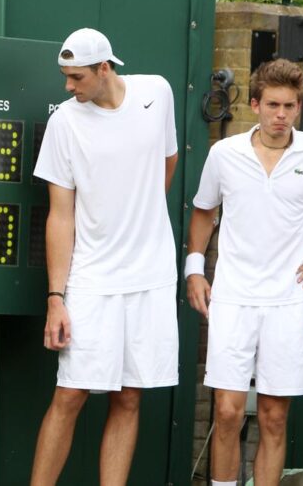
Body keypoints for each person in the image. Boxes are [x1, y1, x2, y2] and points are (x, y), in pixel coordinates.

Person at [30, 27, 179, 485]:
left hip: (151, 277)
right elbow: (60, 215)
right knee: (71, 394)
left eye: (76, 77)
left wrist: (141, 220)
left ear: (104, 68)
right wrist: (57, 296)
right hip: (91, 281)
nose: (68, 87)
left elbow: (167, 162)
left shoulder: (157, 93)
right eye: (65, 77)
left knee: (130, 397)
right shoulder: (64, 123)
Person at [186, 58, 303, 486]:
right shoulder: (224, 154)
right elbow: (204, 212)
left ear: (299, 108)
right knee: (226, 412)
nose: (281, 115)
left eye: (290, 106)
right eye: (273, 105)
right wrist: (194, 269)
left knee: (275, 418)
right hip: (233, 298)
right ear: (255, 104)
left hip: (288, 300)